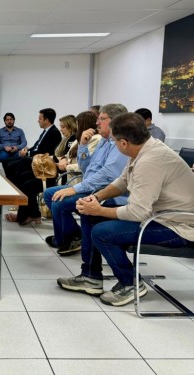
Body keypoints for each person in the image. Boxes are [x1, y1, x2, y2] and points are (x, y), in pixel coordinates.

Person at [63, 112, 194, 307]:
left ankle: (130, 283)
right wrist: (96, 198)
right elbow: (122, 182)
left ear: (124, 143)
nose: (113, 145)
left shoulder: (151, 160)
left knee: (102, 232)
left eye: (114, 141)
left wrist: (98, 210)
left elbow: (136, 213)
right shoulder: (143, 150)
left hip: (179, 226)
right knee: (89, 216)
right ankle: (91, 277)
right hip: (158, 217)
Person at [44, 104, 129, 256]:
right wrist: (83, 145)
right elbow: (86, 167)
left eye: (101, 119)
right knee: (50, 194)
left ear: (115, 121)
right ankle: (74, 235)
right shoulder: (103, 140)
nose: (96, 123)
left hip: (105, 192)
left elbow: (108, 174)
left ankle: (68, 238)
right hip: (90, 185)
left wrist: (75, 189)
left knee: (59, 201)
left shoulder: (120, 143)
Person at [4, 114, 75, 225]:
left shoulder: (71, 140)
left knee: (25, 180)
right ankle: (30, 213)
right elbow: (57, 156)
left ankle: (28, 214)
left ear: (70, 127)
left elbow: (66, 161)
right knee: (22, 176)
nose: (61, 129)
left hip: (57, 176)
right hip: (52, 171)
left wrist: (57, 160)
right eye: (60, 126)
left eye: (63, 127)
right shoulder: (66, 140)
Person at [2, 108, 62, 182]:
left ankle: (15, 186)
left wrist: (27, 153)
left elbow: (45, 152)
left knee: (19, 162)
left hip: (41, 161)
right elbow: (36, 147)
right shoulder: (46, 131)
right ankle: (12, 185)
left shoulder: (54, 132)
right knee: (5, 161)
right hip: (34, 156)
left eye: (40, 119)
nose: (38, 120)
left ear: (46, 120)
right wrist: (27, 150)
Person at [56, 111, 100, 186]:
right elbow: (68, 156)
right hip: (71, 179)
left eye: (77, 124)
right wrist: (63, 159)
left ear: (83, 125)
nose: (76, 127)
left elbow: (87, 164)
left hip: (80, 181)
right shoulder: (78, 139)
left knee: (49, 193)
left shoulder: (96, 139)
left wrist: (66, 166)